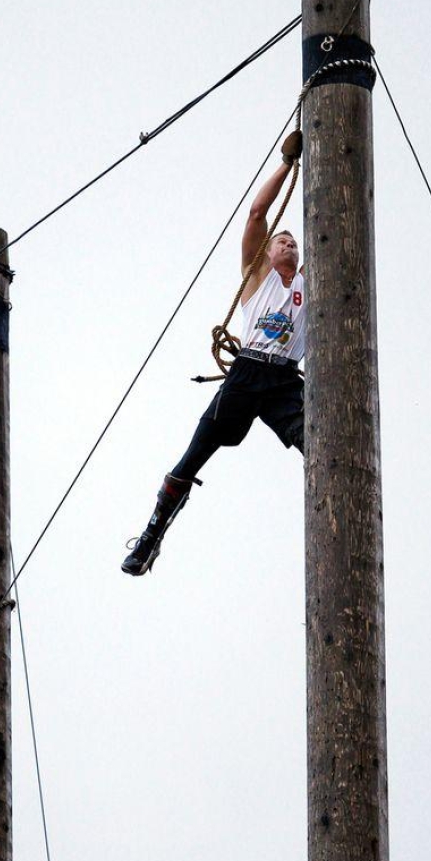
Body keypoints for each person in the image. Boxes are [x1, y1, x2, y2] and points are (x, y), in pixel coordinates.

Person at [122, 134, 306, 576]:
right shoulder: (257, 275)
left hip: (284, 380)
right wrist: (286, 163)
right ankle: (152, 535)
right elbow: (258, 213)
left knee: (319, 444)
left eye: (293, 243)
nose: (287, 244)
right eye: (281, 241)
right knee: (195, 452)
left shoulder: (308, 285)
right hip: (247, 373)